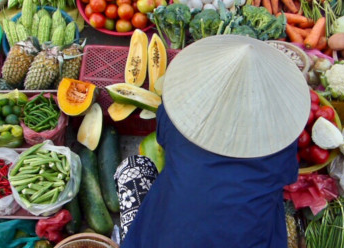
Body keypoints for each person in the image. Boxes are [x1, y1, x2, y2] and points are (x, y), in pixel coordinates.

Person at [115, 35, 311, 248]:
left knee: (134, 167)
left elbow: (162, 140)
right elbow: (288, 177)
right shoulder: (280, 141)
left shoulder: (175, 118)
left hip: (162, 240)